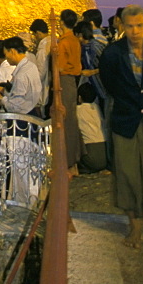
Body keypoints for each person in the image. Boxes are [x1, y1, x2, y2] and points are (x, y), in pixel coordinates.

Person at [99, 5, 143, 249]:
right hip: (125, 121)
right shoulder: (112, 54)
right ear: (122, 26)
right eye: (130, 26)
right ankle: (135, 226)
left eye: (140, 25)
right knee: (129, 176)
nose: (135, 30)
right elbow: (110, 84)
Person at [0, 38, 43, 206]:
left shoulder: (23, 72)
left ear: (12, 51)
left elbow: (16, 105)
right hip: (30, 119)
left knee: (21, 166)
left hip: (21, 124)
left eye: (6, 54)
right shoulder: (30, 66)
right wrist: (3, 89)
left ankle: (23, 202)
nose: (6, 58)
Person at [57, 9, 83, 172]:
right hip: (73, 81)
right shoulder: (74, 40)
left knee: (65, 120)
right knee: (71, 119)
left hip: (65, 81)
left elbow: (59, 67)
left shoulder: (64, 42)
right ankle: (75, 158)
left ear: (61, 23)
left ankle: (68, 160)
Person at [76, 82, 108, 175]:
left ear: (79, 97)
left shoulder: (78, 110)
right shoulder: (97, 108)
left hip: (91, 155)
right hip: (104, 155)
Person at [29, 19, 51, 116]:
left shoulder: (43, 48)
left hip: (45, 86)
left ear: (38, 33)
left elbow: (40, 73)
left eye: (34, 35)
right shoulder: (53, 41)